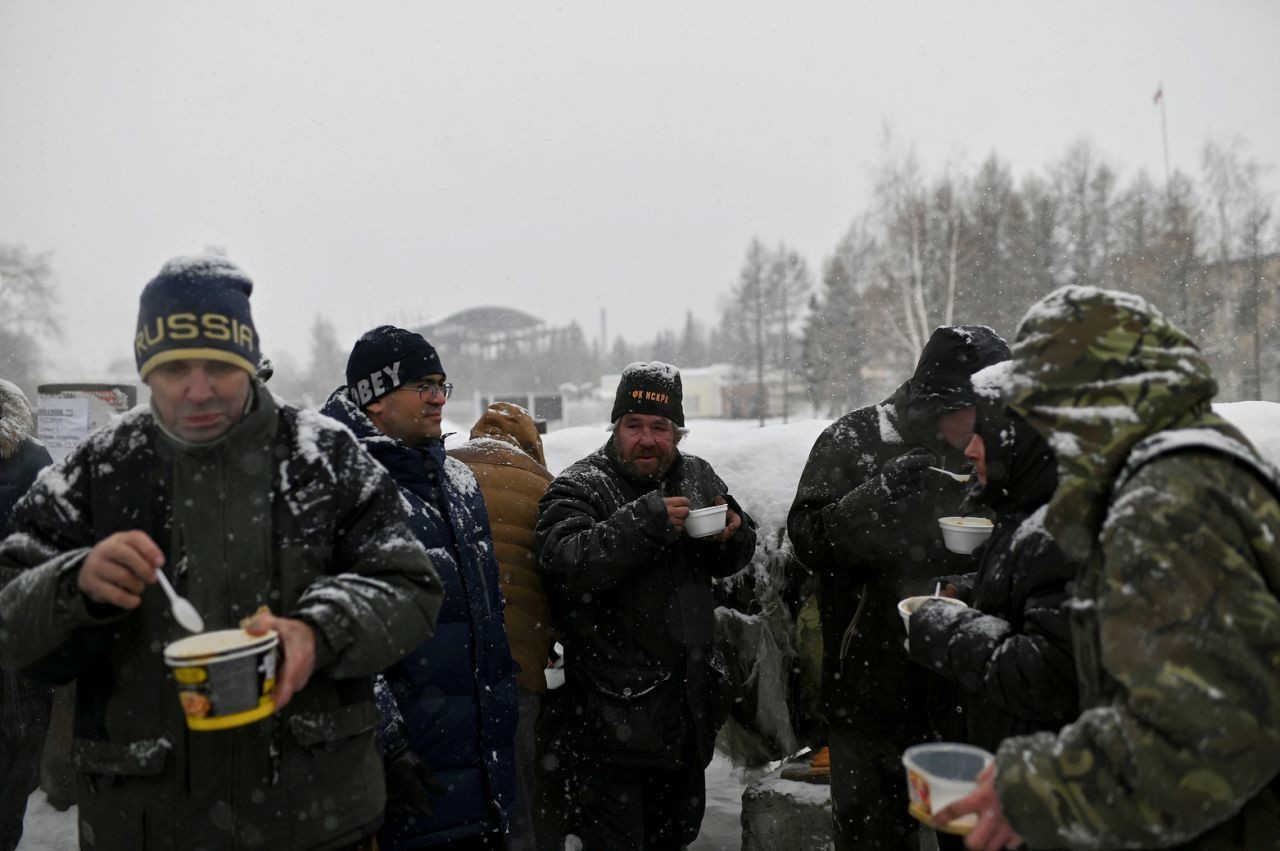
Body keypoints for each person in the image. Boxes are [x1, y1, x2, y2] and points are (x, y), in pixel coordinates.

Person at [0, 257, 444, 851]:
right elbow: (10, 615)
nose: (199, 388)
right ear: (146, 370)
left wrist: (320, 631)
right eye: (176, 368)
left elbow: (409, 586)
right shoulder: (98, 472)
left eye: (221, 367)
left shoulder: (325, 457)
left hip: (316, 816)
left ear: (251, 364)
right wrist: (74, 585)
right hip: (148, 822)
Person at [934, 286, 1280, 850]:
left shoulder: (1165, 502)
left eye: (1043, 403)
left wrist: (1034, 787)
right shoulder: (1205, 460)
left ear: (1086, 398)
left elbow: (1207, 736)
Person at [787, 325, 1011, 849]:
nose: (990, 426)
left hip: (969, 694)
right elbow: (807, 543)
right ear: (938, 403)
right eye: (977, 412)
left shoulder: (1002, 447)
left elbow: (1034, 549)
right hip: (870, 696)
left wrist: (971, 590)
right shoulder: (855, 439)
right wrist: (872, 498)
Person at [535, 361, 757, 849]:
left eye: (661, 427)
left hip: (688, 717)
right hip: (613, 729)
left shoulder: (695, 474)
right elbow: (564, 564)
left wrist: (731, 535)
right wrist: (645, 522)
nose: (648, 439)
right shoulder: (582, 484)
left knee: (676, 837)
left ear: (677, 432)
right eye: (634, 425)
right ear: (615, 427)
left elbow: (738, 551)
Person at [321, 326, 518, 849]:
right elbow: (334, 632)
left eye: (441, 385)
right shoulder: (339, 487)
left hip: (486, 779)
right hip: (405, 783)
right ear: (376, 399)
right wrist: (385, 744)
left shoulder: (460, 484)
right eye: (422, 385)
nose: (438, 399)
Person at [904, 385, 1078, 757]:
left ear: (1026, 445)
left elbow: (1048, 676)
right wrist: (969, 593)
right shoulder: (1026, 515)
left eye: (983, 436)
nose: (969, 450)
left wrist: (949, 631)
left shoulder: (1064, 534)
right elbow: (1030, 596)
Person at [446, 402, 553, 851]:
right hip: (520, 666)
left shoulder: (448, 474)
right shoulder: (545, 486)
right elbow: (558, 577)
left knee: (460, 789)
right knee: (519, 791)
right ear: (532, 443)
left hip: (453, 667)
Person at [0, 378, 54, 851]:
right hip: (21, 607)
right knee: (21, 735)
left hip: (18, 605)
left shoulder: (34, 460)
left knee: (20, 734)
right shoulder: (35, 457)